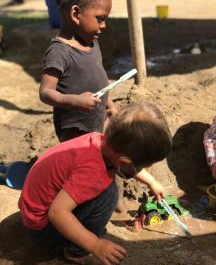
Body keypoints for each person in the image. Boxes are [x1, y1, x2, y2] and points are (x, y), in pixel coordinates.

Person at [18, 102, 172, 264]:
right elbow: (57, 213)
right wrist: (95, 245)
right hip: (42, 229)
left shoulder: (98, 141)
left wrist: (152, 182)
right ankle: (76, 252)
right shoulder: (93, 172)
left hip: (33, 211)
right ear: (125, 163)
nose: (138, 170)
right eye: (139, 167)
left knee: (106, 187)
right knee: (109, 194)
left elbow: (126, 163)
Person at [39, 0, 117, 143]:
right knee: (85, 164)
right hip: (75, 133)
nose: (104, 25)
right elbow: (45, 93)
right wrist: (75, 100)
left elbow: (97, 76)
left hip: (99, 120)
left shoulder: (92, 42)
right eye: (100, 19)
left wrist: (108, 102)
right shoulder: (59, 51)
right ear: (75, 14)